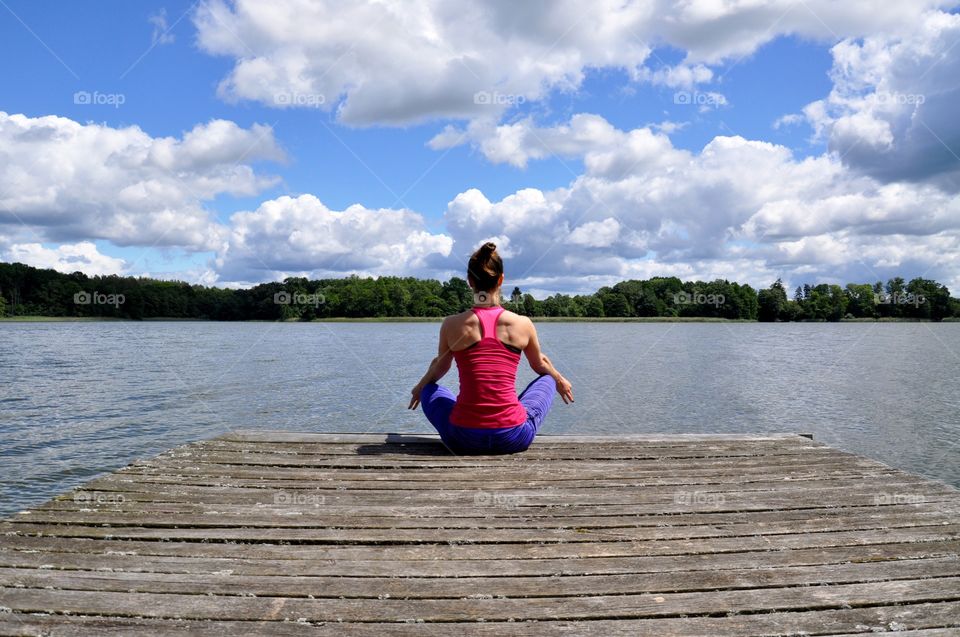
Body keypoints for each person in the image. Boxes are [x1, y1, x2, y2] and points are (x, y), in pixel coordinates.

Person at [408, 242, 574, 454]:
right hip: (513, 438)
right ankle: (514, 414)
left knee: (429, 388)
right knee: (548, 377)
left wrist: (419, 388)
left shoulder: (451, 324)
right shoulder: (522, 323)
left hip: (462, 439)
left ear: (469, 281)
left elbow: (438, 368)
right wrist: (560, 380)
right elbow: (539, 364)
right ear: (501, 279)